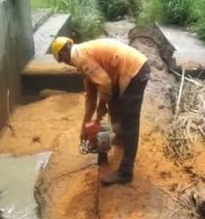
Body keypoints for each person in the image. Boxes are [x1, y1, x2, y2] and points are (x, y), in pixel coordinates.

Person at [51, 37, 151, 186]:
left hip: (134, 70)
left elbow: (104, 83)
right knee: (115, 105)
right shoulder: (83, 54)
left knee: (129, 119)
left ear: (63, 53)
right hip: (131, 68)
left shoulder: (79, 57)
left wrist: (101, 106)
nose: (66, 64)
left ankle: (125, 172)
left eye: (62, 60)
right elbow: (90, 98)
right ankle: (120, 137)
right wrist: (83, 127)